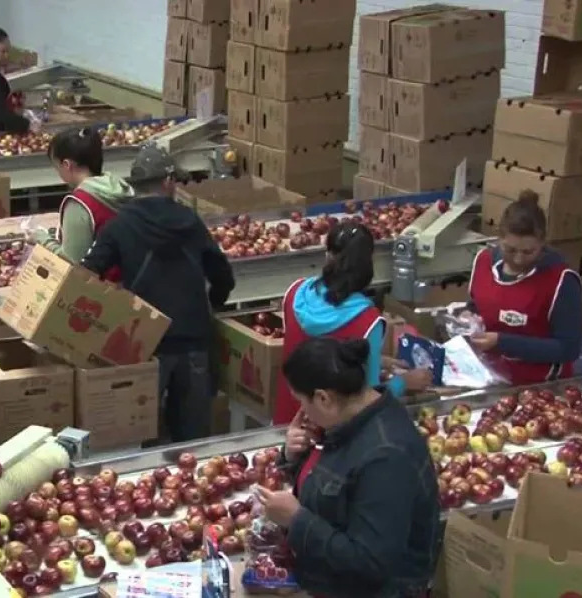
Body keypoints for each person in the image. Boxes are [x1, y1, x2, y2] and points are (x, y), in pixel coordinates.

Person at [256, 337, 440, 598]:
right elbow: (332, 487)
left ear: (323, 398)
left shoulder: (386, 458)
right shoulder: (350, 419)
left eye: (302, 402)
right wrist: (293, 455)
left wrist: (297, 520)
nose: (302, 411)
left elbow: (370, 563)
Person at [81, 147, 235, 442]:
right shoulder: (190, 222)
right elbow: (222, 274)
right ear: (167, 182)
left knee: (142, 430)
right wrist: (213, 304)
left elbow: (86, 273)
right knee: (192, 437)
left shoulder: (119, 225)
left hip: (145, 342)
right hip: (193, 337)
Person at [274, 222, 432, 426]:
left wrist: (373, 359)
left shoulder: (294, 294)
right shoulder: (367, 321)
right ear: (367, 265)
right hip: (331, 432)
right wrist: (405, 382)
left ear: (326, 255)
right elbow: (369, 398)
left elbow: (313, 351)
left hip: (287, 423)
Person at [467, 190, 582, 384]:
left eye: (528, 252)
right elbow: (475, 305)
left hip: (541, 383)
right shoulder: (483, 262)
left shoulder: (561, 282)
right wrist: (467, 316)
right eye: (510, 250)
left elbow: (569, 348)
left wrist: (502, 342)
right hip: (488, 374)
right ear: (499, 238)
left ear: (543, 243)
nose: (518, 259)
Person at [32, 126, 136, 279]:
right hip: (128, 283)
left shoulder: (80, 203)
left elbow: (73, 264)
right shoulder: (120, 189)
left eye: (57, 167)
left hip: (100, 292)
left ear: (67, 165)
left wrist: (42, 239)